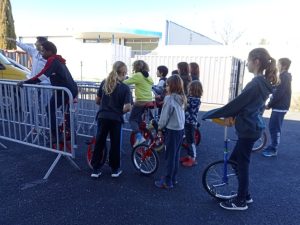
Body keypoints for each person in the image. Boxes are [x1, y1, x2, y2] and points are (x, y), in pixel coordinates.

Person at [202, 48, 278, 210]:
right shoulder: (263, 83)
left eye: (248, 60)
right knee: (236, 161)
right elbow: (252, 107)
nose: (247, 63)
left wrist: (211, 113)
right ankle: (245, 195)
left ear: (256, 61)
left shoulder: (256, 83)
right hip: (252, 127)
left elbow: (237, 104)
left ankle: (241, 201)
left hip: (249, 129)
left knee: (241, 164)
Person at [17, 41, 78, 143]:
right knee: (64, 111)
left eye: (43, 51)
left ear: (50, 51)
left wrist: (26, 82)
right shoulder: (57, 59)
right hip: (69, 90)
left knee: (49, 109)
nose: (41, 53)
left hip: (64, 91)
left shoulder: (52, 60)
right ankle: (67, 132)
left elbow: (42, 76)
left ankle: (56, 134)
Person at [90, 61, 131, 178]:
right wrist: (119, 111)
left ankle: (96, 169)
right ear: (123, 73)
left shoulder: (104, 83)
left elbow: (97, 101)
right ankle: (114, 169)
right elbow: (128, 107)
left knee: (99, 142)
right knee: (115, 143)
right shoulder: (125, 88)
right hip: (116, 118)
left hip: (103, 116)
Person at [154, 74, 186, 189]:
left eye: (167, 85)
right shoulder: (181, 98)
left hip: (172, 131)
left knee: (169, 157)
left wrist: (159, 128)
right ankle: (173, 178)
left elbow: (164, 117)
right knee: (175, 156)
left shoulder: (169, 98)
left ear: (172, 86)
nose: (166, 88)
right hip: (180, 130)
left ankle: (167, 182)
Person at [262, 58, 292, 157]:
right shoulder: (283, 76)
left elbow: (279, 93)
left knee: (275, 128)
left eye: (278, 64)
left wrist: (269, 105)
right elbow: (276, 90)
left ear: (283, 66)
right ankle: (272, 146)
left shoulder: (284, 77)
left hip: (280, 106)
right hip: (279, 106)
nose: (277, 66)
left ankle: (273, 149)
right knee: (273, 127)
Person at [123, 60, 154, 147]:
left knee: (132, 119)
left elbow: (125, 82)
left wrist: (122, 79)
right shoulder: (148, 77)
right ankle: (148, 135)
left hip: (141, 101)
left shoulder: (138, 75)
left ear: (136, 67)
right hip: (149, 100)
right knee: (139, 121)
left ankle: (139, 136)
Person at [180, 80, 203, 167]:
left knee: (191, 141)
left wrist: (184, 101)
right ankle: (189, 156)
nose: (188, 89)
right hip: (188, 122)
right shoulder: (192, 99)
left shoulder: (195, 100)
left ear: (193, 89)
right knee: (189, 140)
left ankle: (193, 159)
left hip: (190, 123)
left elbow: (186, 107)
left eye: (190, 88)